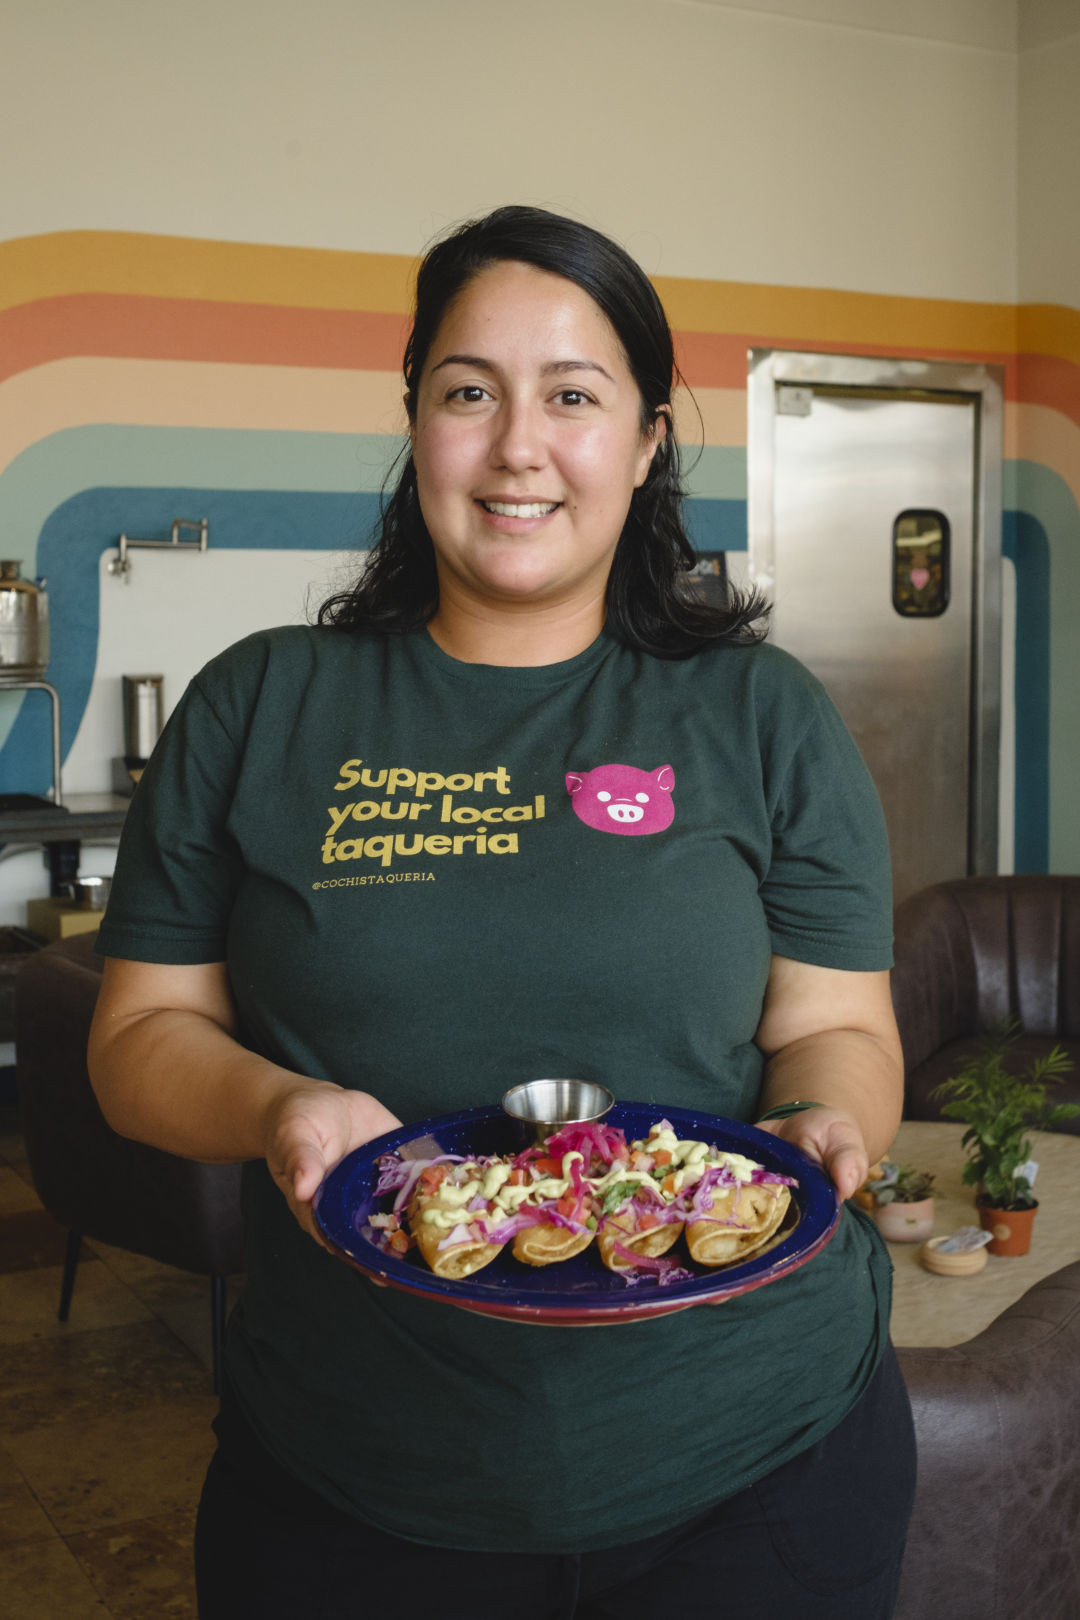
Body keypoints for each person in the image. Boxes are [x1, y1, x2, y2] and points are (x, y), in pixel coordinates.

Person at [88, 205, 916, 1619]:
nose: (519, 444)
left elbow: (837, 1026)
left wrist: (828, 1121)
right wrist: (278, 1109)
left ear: (650, 439)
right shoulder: (262, 704)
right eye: (469, 390)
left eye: (574, 396)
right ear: (414, 418)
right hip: (355, 1481)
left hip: (755, 1464)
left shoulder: (759, 714)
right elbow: (139, 1035)